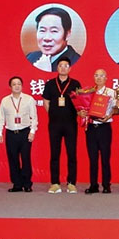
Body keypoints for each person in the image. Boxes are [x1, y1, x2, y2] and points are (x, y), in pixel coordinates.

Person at [42, 58, 81, 193]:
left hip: (70, 123)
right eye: (60, 65)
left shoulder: (75, 84)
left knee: (72, 153)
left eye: (66, 66)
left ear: (70, 68)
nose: (63, 68)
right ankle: (55, 183)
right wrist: (53, 114)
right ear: (57, 68)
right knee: (54, 153)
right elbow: (46, 102)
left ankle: (71, 183)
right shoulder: (50, 84)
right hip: (54, 124)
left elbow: (80, 102)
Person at [0, 76, 37, 192]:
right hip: (11, 133)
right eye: (14, 84)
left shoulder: (29, 99)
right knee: (13, 159)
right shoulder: (5, 100)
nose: (17, 86)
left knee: (25, 158)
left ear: (22, 86)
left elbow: (34, 117)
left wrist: (32, 131)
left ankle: (27, 184)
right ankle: (17, 184)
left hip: (25, 132)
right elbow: (1, 117)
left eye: (19, 84)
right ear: (10, 87)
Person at [81, 68, 115, 194]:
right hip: (91, 128)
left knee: (105, 157)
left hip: (104, 127)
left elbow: (116, 108)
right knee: (93, 158)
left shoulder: (111, 92)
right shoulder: (88, 92)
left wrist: (110, 115)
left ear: (106, 78)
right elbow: (82, 108)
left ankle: (106, 185)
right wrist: (81, 112)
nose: (99, 78)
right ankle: (93, 185)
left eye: (101, 76)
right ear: (93, 78)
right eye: (96, 75)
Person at [27, 7, 81, 71]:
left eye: (54, 31)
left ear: (67, 34)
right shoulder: (31, 57)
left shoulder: (79, 63)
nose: (47, 38)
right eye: (42, 30)